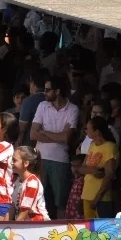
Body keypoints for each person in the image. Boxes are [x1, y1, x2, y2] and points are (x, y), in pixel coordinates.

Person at [29, 75, 78, 219]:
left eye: (48, 90)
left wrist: (43, 132)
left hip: (60, 160)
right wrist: (58, 136)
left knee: (60, 203)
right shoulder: (42, 105)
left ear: (57, 91)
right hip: (40, 158)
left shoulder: (73, 109)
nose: (44, 93)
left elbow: (67, 138)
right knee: (40, 200)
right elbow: (33, 135)